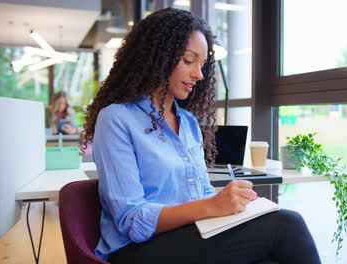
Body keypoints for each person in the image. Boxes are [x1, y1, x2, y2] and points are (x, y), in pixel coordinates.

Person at [82, 8, 321, 264]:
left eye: (203, 64)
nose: (199, 74)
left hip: (189, 237)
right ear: (156, 56)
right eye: (188, 60)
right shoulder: (117, 119)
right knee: (286, 225)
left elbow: (201, 193)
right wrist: (212, 206)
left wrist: (233, 204)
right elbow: (131, 220)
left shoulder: (187, 123)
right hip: (137, 250)